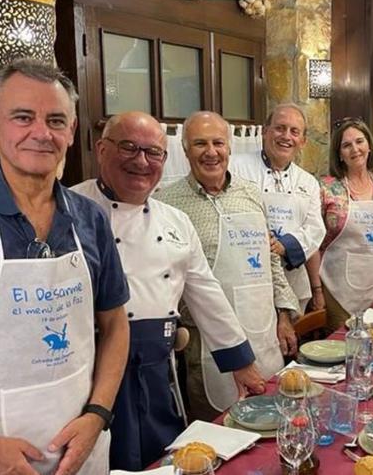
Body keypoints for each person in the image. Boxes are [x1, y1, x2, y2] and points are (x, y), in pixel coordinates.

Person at [0, 59, 130, 474]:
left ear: (70, 131)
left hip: (79, 454)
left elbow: (116, 324)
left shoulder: (90, 218)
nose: (41, 133)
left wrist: (97, 416)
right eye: (22, 117)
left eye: (55, 120)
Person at [72, 111, 265, 470]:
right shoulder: (70, 211)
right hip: (92, 374)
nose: (141, 161)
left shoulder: (174, 221)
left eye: (153, 152)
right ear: (101, 150)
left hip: (159, 369)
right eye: (129, 147)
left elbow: (206, 292)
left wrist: (242, 364)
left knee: (164, 457)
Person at [155, 111, 299, 419]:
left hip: (263, 332)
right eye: (200, 144)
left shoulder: (251, 194)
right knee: (219, 432)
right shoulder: (167, 204)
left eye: (218, 142)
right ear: (184, 150)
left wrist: (284, 315)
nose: (211, 152)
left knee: (271, 421)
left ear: (229, 147)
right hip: (205, 345)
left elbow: (270, 259)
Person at [230, 104, 326, 313]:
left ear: (303, 141)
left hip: (292, 282)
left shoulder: (308, 182)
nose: (286, 136)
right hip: (248, 280)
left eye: (294, 131)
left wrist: (285, 246)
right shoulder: (234, 168)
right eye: (280, 128)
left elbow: (315, 229)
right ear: (265, 132)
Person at [319, 117, 373, 331]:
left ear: (370, 146)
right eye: (346, 145)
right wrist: (317, 290)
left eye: (360, 141)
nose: (355, 149)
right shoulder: (327, 188)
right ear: (339, 154)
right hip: (338, 290)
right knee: (343, 351)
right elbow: (314, 242)